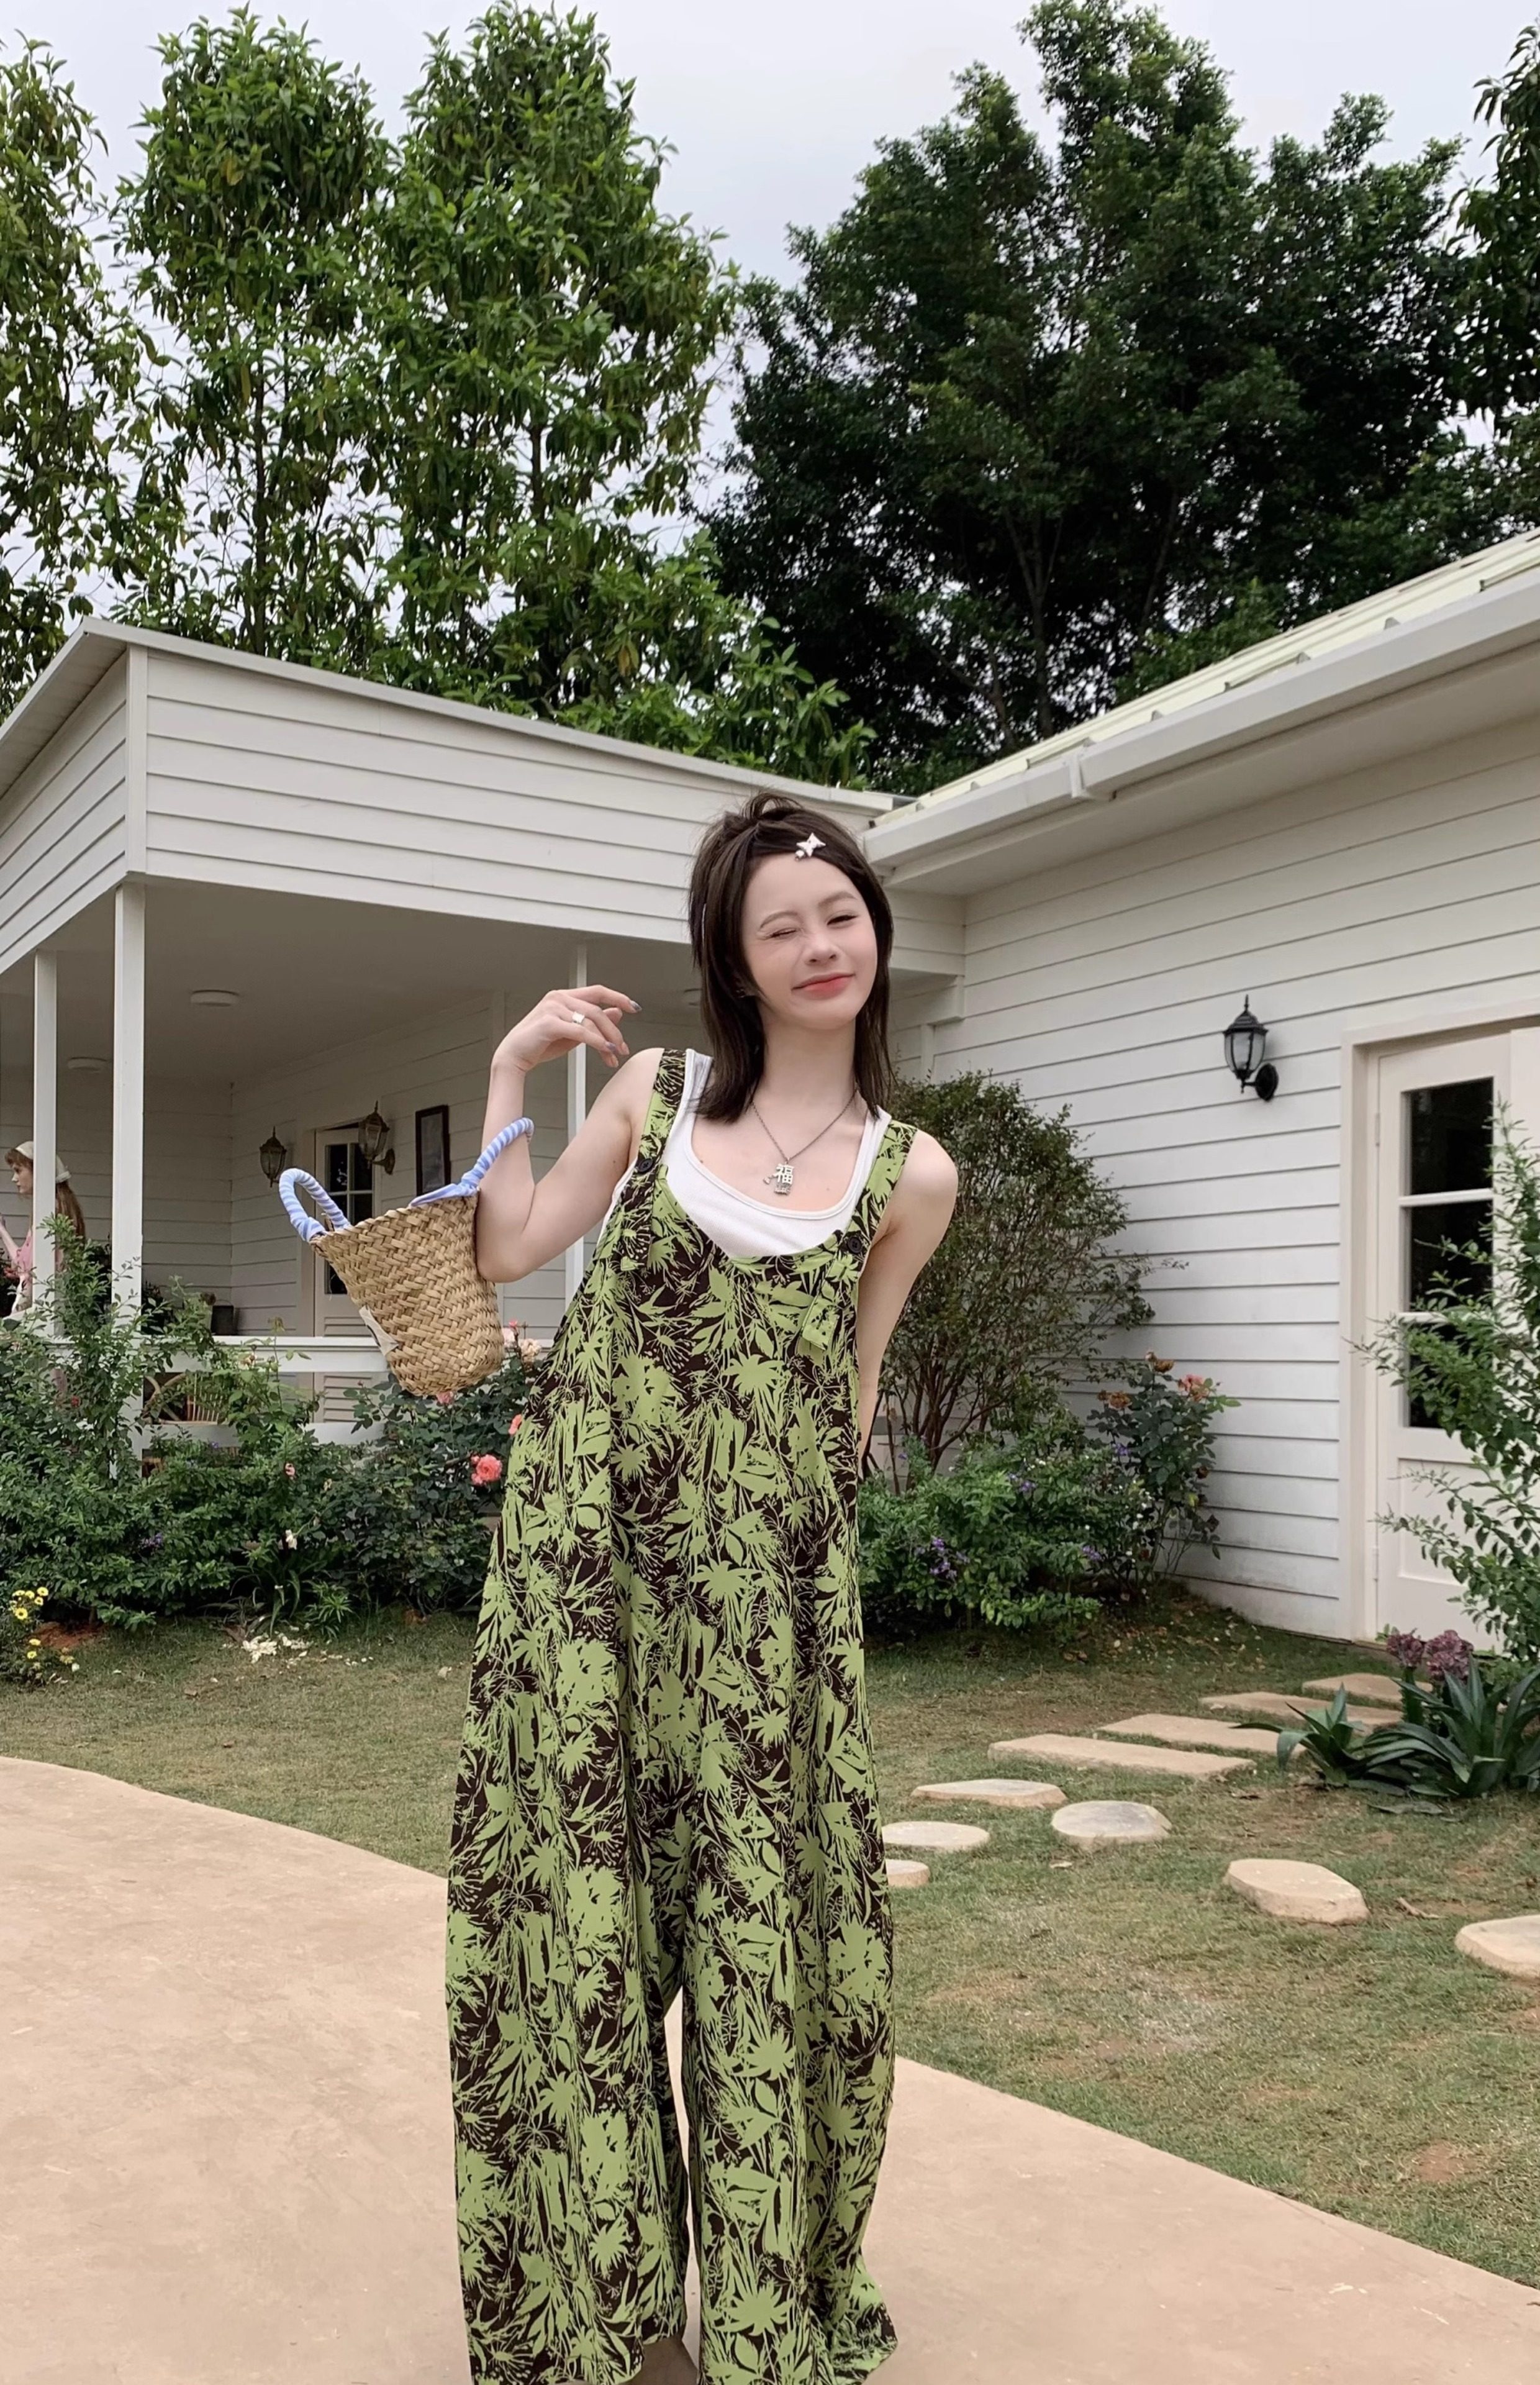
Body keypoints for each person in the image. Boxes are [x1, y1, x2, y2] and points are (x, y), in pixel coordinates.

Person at [446, 793, 957, 2385]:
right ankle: (590, 2318)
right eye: (778, 927)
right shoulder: (654, 1096)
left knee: (765, 1949)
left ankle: (753, 2307)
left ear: (876, 930)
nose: (818, 946)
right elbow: (509, 1252)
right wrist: (509, 1071)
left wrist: (803, 1604)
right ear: (735, 964)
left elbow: (848, 1402)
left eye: (839, 914)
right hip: (580, 1589)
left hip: (760, 1620)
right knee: (570, 1935)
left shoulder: (914, 1177)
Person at [2, 1141, 88, 1312]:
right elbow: (27, 1265)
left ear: (38, 1171)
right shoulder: (60, 1207)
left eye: (18, 1170)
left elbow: (31, 1268)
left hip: (41, 1309)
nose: (14, 1178)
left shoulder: (50, 1211)